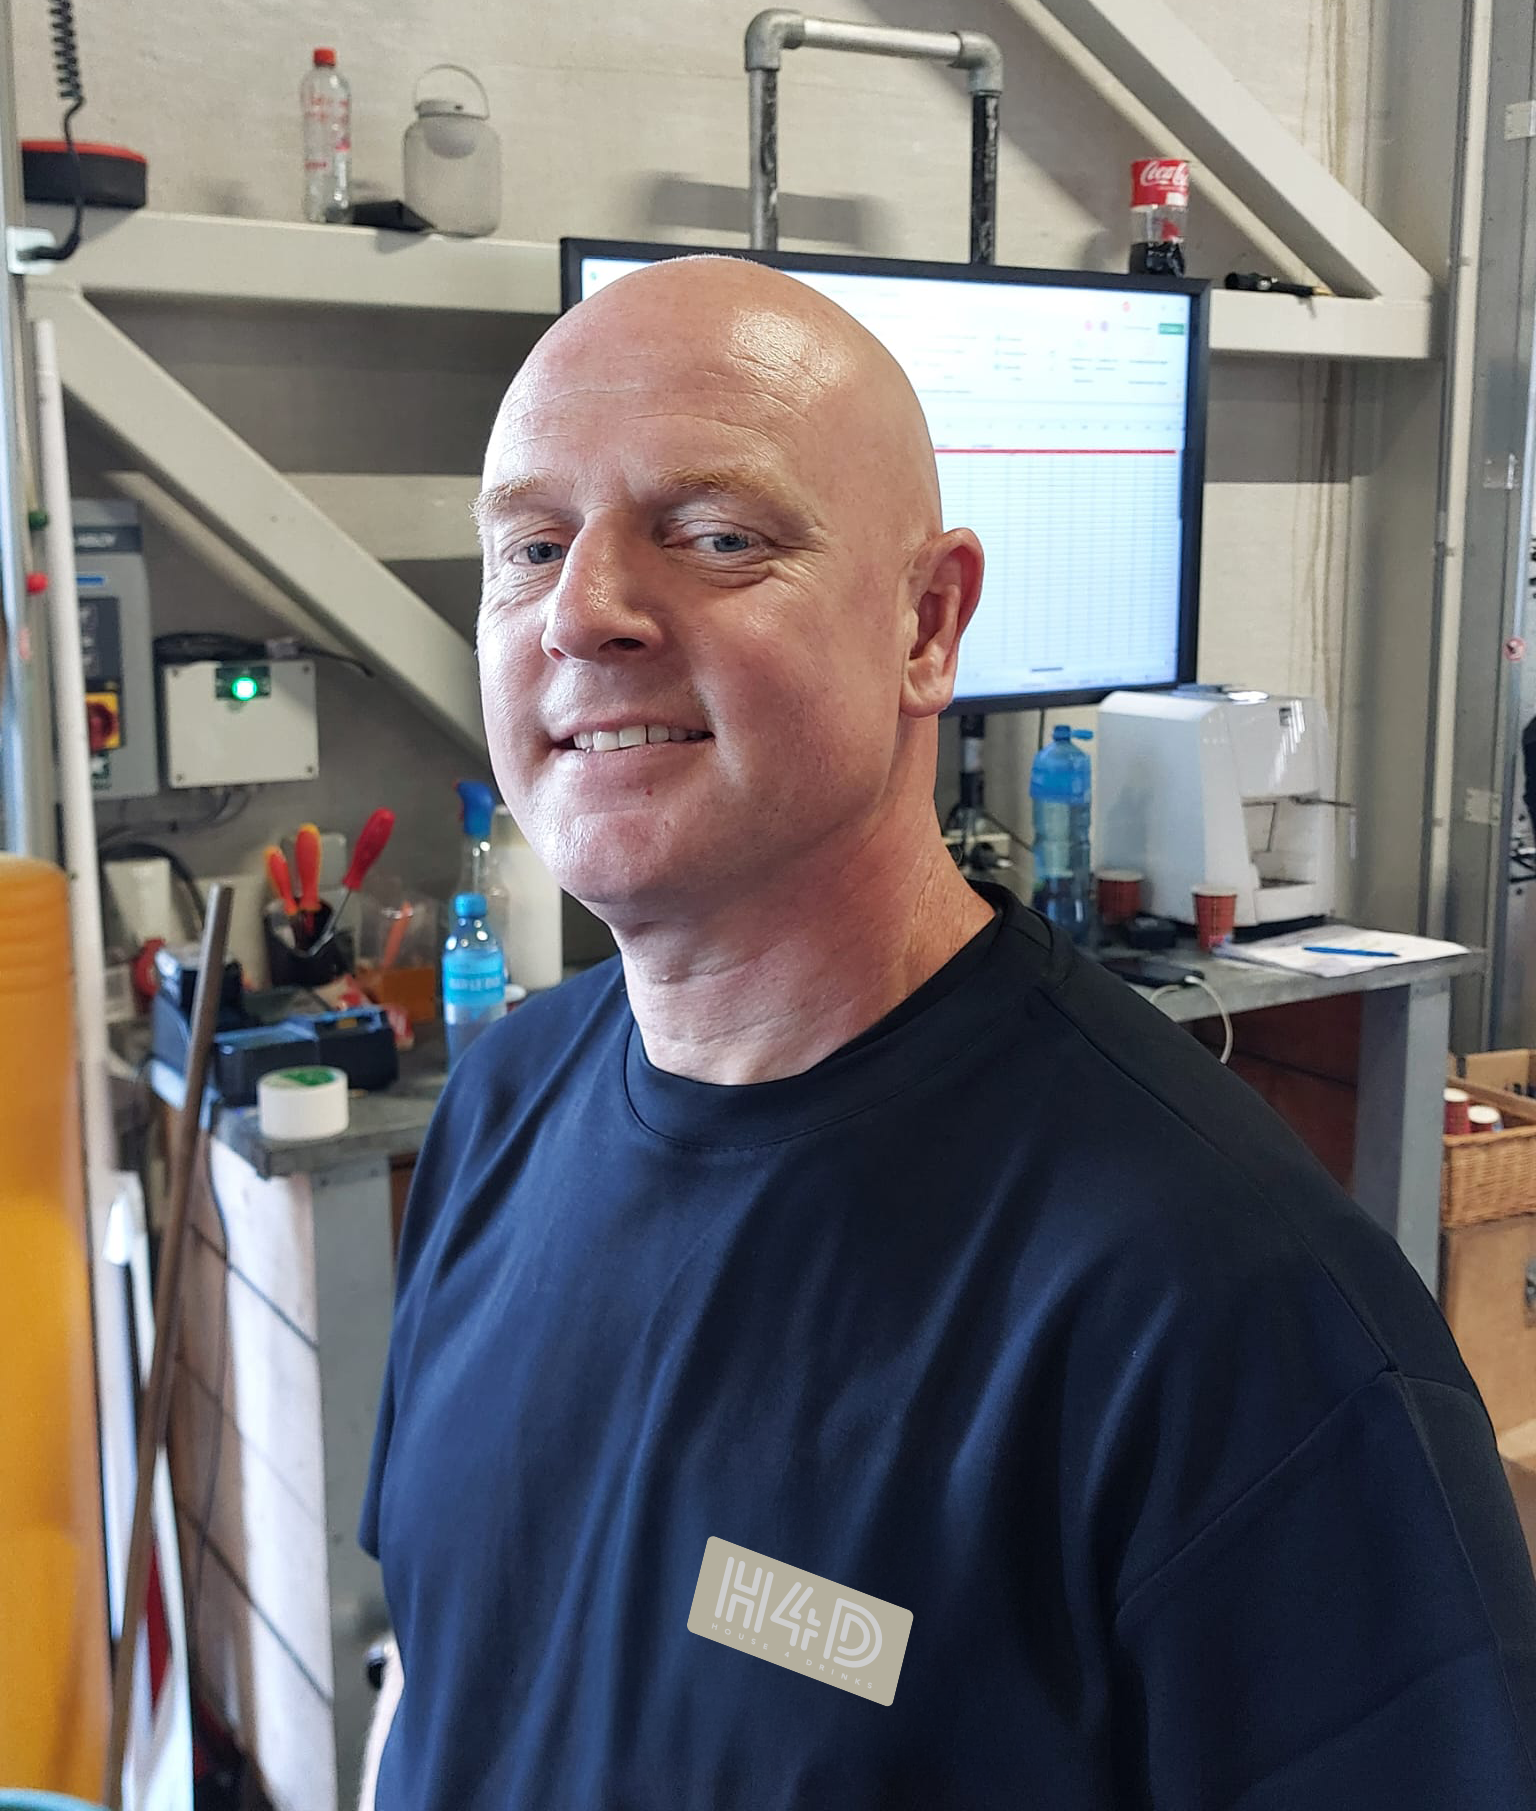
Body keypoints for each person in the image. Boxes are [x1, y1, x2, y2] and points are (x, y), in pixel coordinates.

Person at [359, 256, 1536, 1808]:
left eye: (716, 537)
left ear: (929, 621)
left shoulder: (1234, 1319)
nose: (584, 613)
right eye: (530, 545)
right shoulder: (500, 1109)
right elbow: (438, 1679)